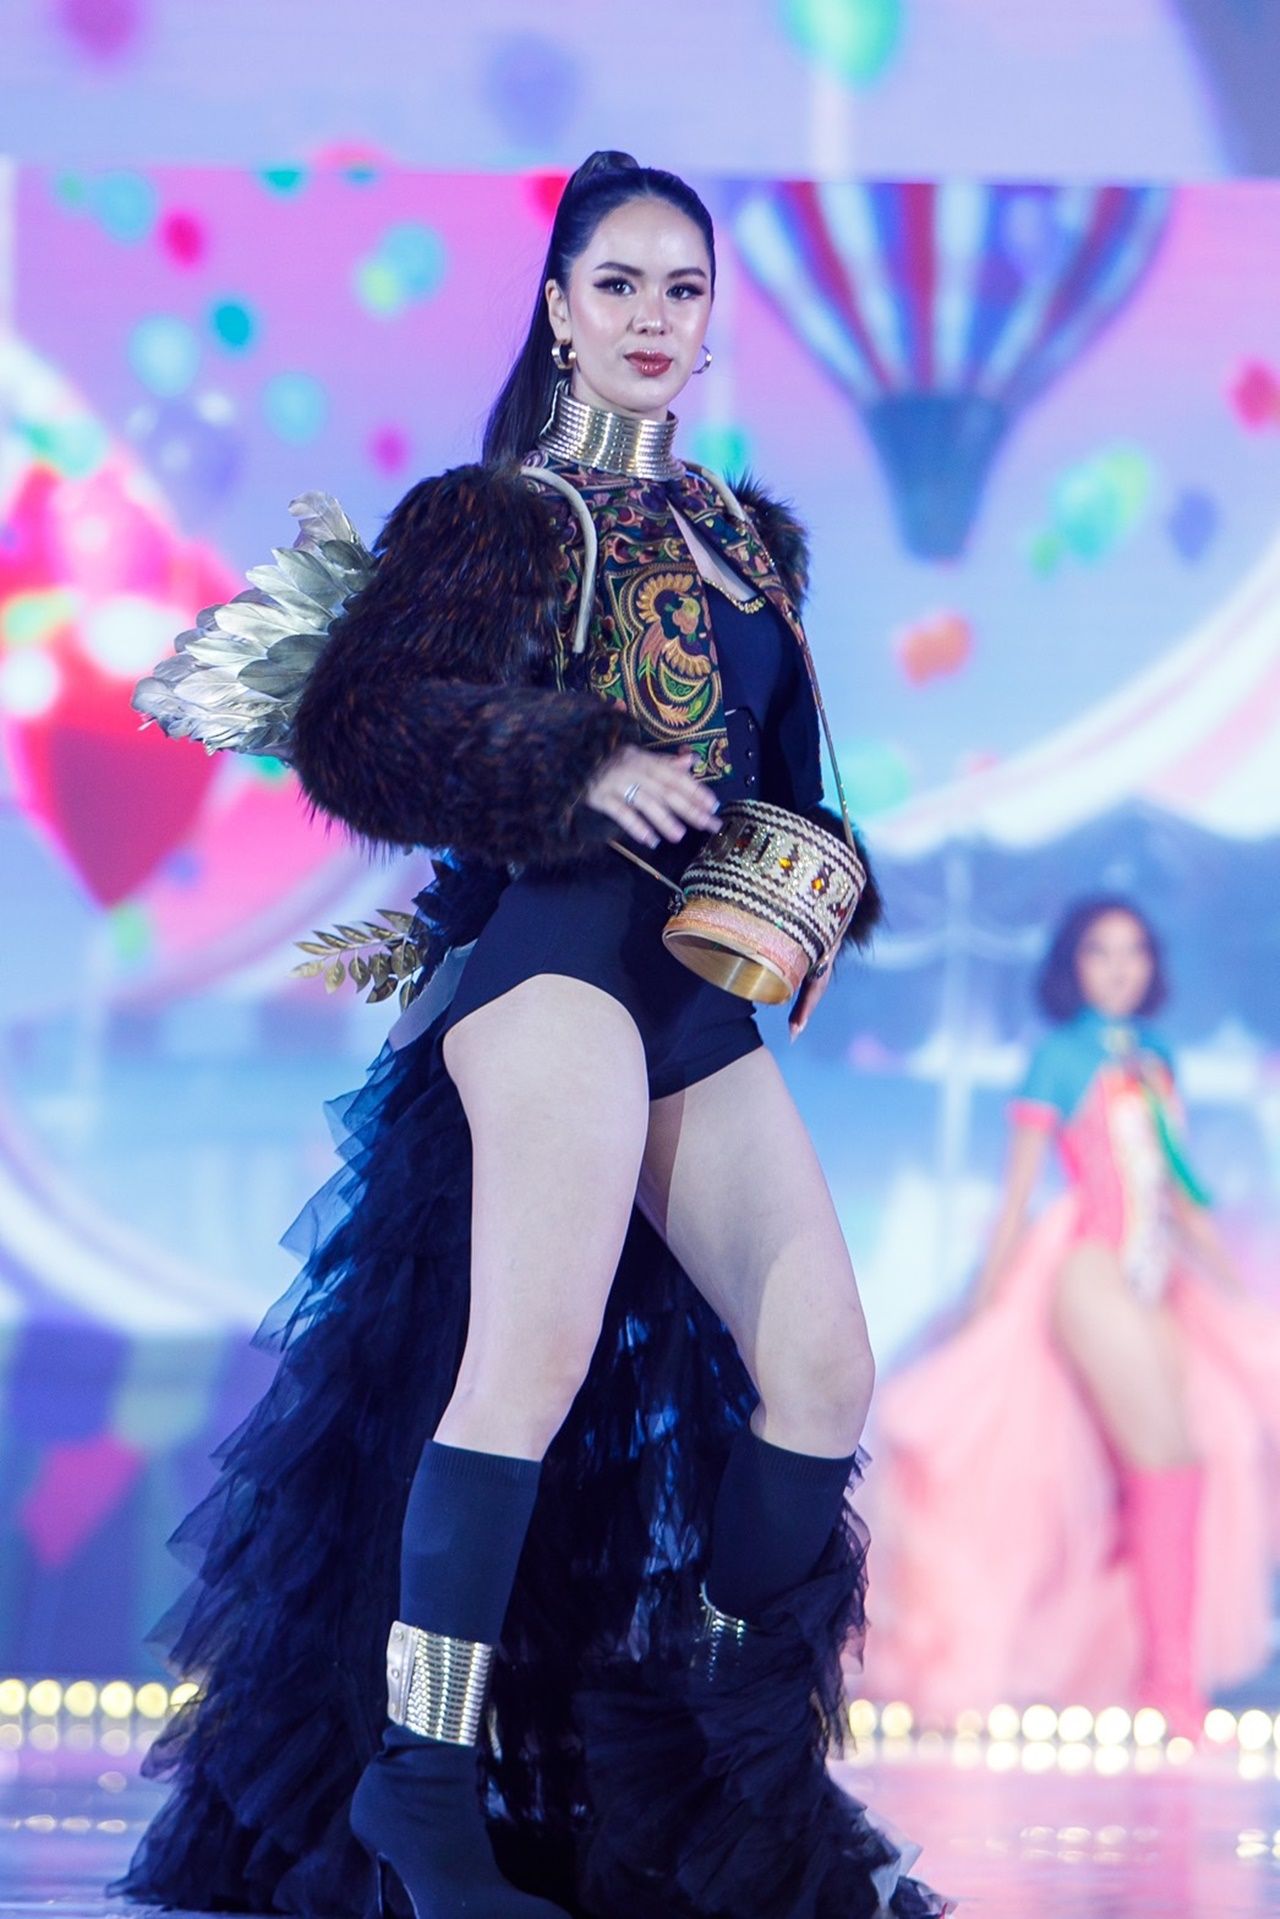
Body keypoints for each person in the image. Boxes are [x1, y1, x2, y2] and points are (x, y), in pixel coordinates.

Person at [116, 152, 949, 1918]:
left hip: (697, 987)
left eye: (684, 289)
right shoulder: (494, 516)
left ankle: (696, 1760)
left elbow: (788, 774)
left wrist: (817, 888)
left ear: (712, 322)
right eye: (620, 284)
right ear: (560, 308)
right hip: (551, 963)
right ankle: (422, 1793)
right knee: (528, 1362)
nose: (654, 317)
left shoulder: (749, 536)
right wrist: (572, 758)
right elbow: (363, 727)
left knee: (823, 1369)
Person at [866, 896, 1280, 1737]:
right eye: (1100, 951)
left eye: (1134, 951)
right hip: (1089, 1266)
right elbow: (1018, 1193)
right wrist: (983, 1300)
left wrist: (1233, 1285)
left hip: (1157, 1275)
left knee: (1193, 1452)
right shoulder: (1058, 1057)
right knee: (1166, 1451)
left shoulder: (1158, 1056)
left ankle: (1161, 1680)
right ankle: (1170, 1691)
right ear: (1073, 965)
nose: (1119, 967)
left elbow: (1180, 1189)